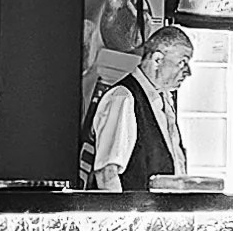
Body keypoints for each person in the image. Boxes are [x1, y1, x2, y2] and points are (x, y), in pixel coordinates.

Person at [80, 25, 194, 191]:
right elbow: (107, 174)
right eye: (182, 62)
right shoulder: (123, 97)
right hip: (135, 214)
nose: (188, 72)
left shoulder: (163, 102)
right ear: (157, 59)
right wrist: (121, 217)